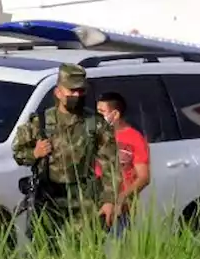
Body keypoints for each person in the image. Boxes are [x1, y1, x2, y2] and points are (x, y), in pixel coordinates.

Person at [11, 63, 119, 248]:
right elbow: (18, 153)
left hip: (84, 198)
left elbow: (111, 163)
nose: (76, 95)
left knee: (87, 252)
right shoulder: (40, 122)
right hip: (48, 196)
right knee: (45, 252)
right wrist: (35, 153)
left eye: (80, 91)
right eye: (72, 91)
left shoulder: (95, 124)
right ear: (58, 92)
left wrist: (109, 200)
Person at [95, 91, 151, 238]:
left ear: (115, 114)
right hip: (95, 203)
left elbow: (143, 177)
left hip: (120, 210)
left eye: (102, 112)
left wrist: (121, 198)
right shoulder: (96, 135)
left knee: (116, 252)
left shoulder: (134, 138)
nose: (98, 117)